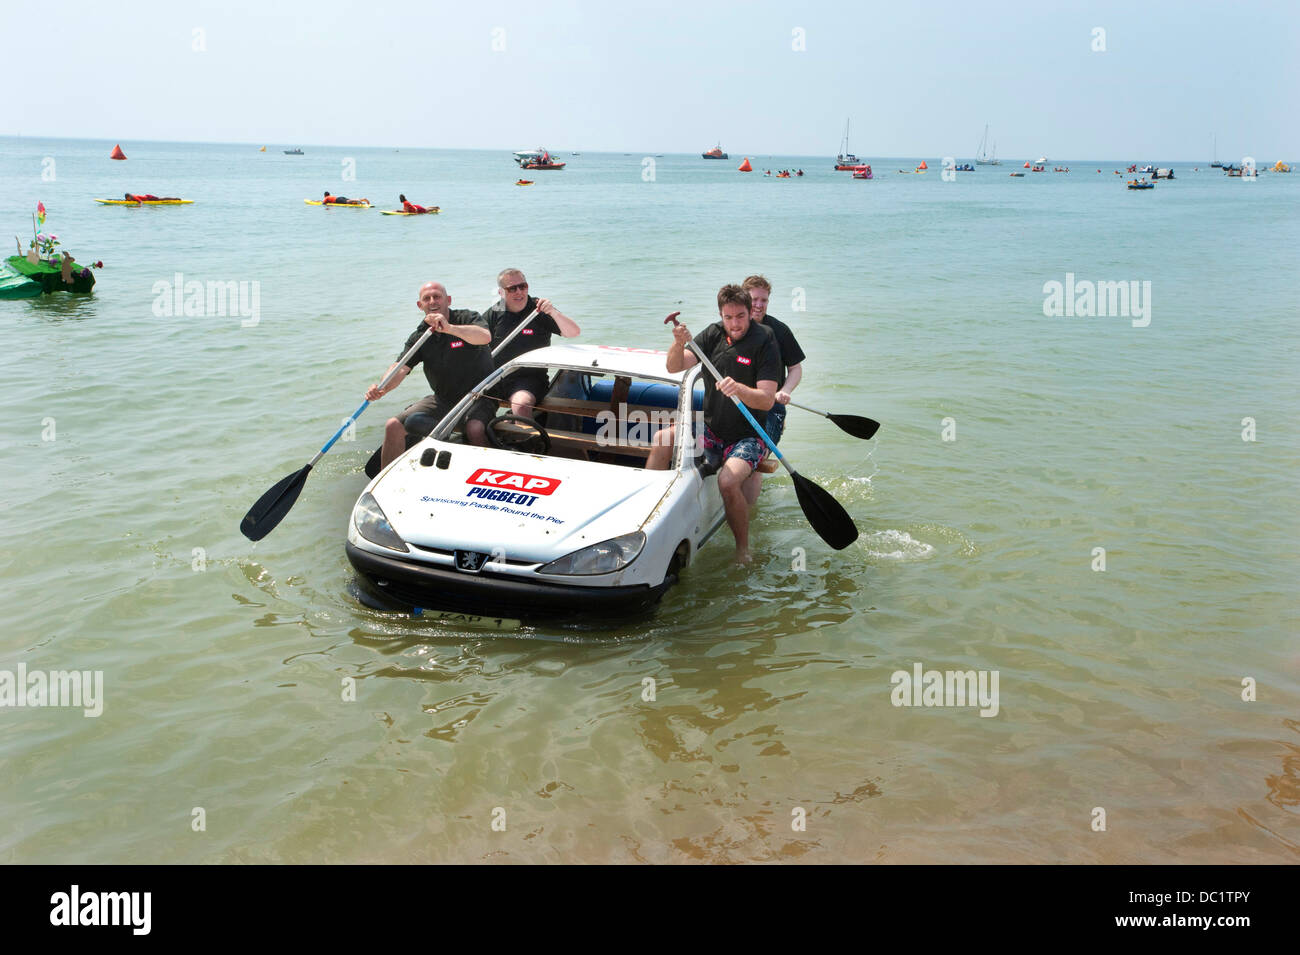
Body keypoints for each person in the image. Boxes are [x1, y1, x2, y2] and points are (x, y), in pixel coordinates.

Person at [646, 285, 780, 564]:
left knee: (728, 481)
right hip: (711, 429)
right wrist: (678, 343)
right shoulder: (712, 333)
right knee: (661, 438)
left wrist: (740, 390)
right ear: (721, 314)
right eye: (728, 317)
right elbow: (673, 367)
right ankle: (646, 520)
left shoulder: (765, 340)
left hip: (749, 435)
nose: (735, 324)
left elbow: (767, 401)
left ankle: (742, 550)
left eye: (740, 316)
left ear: (749, 312)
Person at [364, 282, 495, 468]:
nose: (432, 301)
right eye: (427, 298)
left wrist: (449, 328)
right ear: (420, 305)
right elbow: (401, 367)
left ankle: (489, 469)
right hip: (443, 399)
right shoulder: (420, 336)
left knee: (474, 428)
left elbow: (484, 337)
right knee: (393, 425)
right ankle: (384, 484)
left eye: (437, 296)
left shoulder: (467, 317)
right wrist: (382, 388)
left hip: (479, 396)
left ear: (448, 300)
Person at [739, 275, 806, 506]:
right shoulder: (733, 328)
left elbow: (796, 368)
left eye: (764, 300)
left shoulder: (779, 330)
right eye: (754, 299)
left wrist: (785, 390)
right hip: (737, 405)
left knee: (754, 463)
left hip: (771, 407)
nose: (758, 305)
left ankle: (748, 514)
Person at [483, 268, 580, 417]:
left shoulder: (539, 309)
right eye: (512, 288)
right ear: (501, 292)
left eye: (523, 286)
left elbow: (574, 332)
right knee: (469, 402)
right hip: (497, 377)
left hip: (530, 379)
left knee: (521, 404)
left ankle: (527, 438)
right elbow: (477, 341)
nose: (519, 292)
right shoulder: (495, 311)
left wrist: (553, 312)